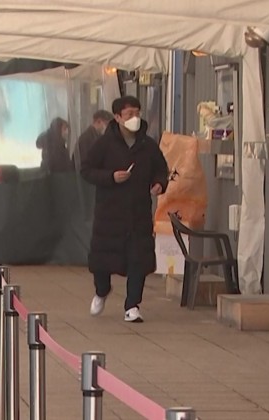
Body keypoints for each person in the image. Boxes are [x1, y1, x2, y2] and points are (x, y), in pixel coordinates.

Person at [80, 96, 169, 323]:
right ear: (118, 117)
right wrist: (110, 177)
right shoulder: (104, 144)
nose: (134, 118)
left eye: (137, 113)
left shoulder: (148, 145)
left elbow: (161, 169)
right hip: (109, 214)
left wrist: (159, 184)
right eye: (129, 114)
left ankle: (132, 305)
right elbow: (87, 170)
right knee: (102, 261)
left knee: (138, 260)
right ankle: (102, 290)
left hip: (138, 213)